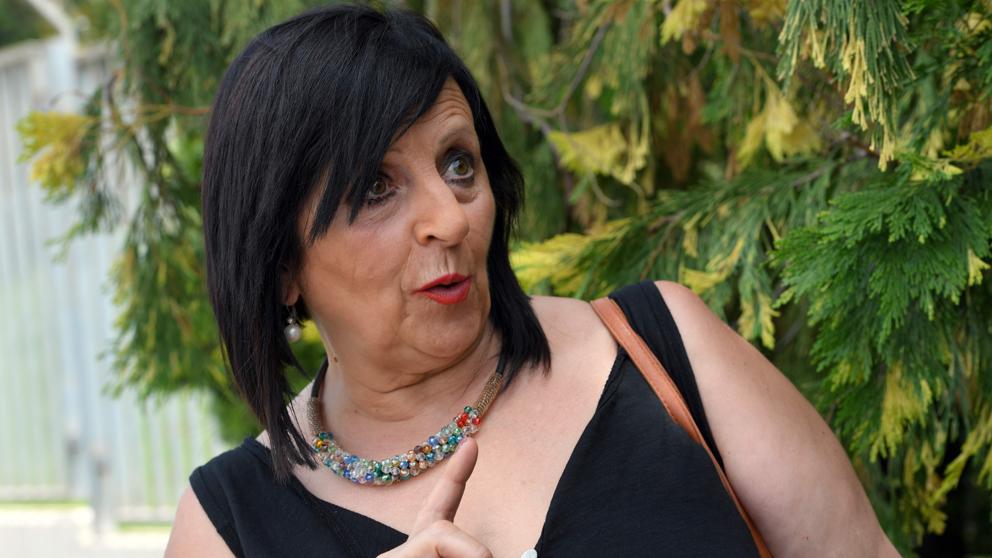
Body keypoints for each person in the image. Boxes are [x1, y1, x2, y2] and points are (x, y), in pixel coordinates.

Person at [166, 4, 897, 557]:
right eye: (376, 188)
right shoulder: (226, 525)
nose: (450, 218)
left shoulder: (662, 349)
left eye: (458, 163)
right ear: (282, 265)